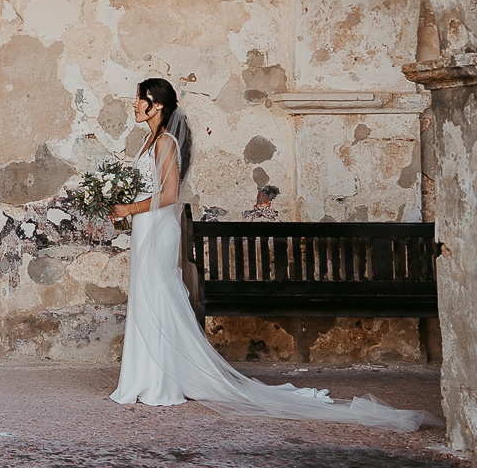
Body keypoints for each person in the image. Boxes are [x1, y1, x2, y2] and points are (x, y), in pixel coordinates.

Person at [108, 77, 434, 431]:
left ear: (156, 105)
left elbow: (169, 193)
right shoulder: (149, 139)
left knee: (158, 294)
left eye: (139, 99)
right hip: (147, 225)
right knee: (148, 295)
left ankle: (161, 381)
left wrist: (129, 209)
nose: (134, 104)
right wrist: (127, 207)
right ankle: (146, 375)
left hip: (157, 226)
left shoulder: (167, 142)